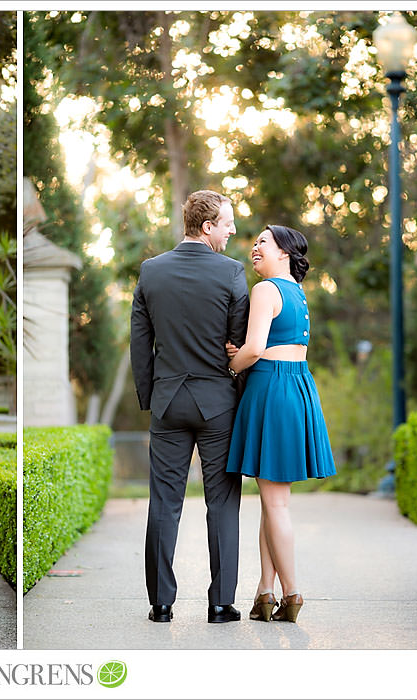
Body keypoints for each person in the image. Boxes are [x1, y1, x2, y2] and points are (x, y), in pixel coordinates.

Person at [130, 189, 250, 624]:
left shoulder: (151, 272)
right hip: (218, 403)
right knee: (222, 504)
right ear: (206, 227)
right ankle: (221, 604)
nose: (233, 230)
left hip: (167, 401)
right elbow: (237, 343)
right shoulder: (232, 273)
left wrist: (151, 399)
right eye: (227, 223)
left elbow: (140, 345)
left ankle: (161, 604)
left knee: (164, 502)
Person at [225, 225, 336, 624]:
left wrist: (231, 364)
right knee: (273, 505)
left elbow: (254, 349)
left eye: (263, 243)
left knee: (275, 504)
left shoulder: (265, 290)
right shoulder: (296, 292)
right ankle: (265, 592)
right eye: (253, 243)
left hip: (271, 387)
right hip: (297, 386)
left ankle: (291, 593)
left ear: (284, 253)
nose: (255, 248)